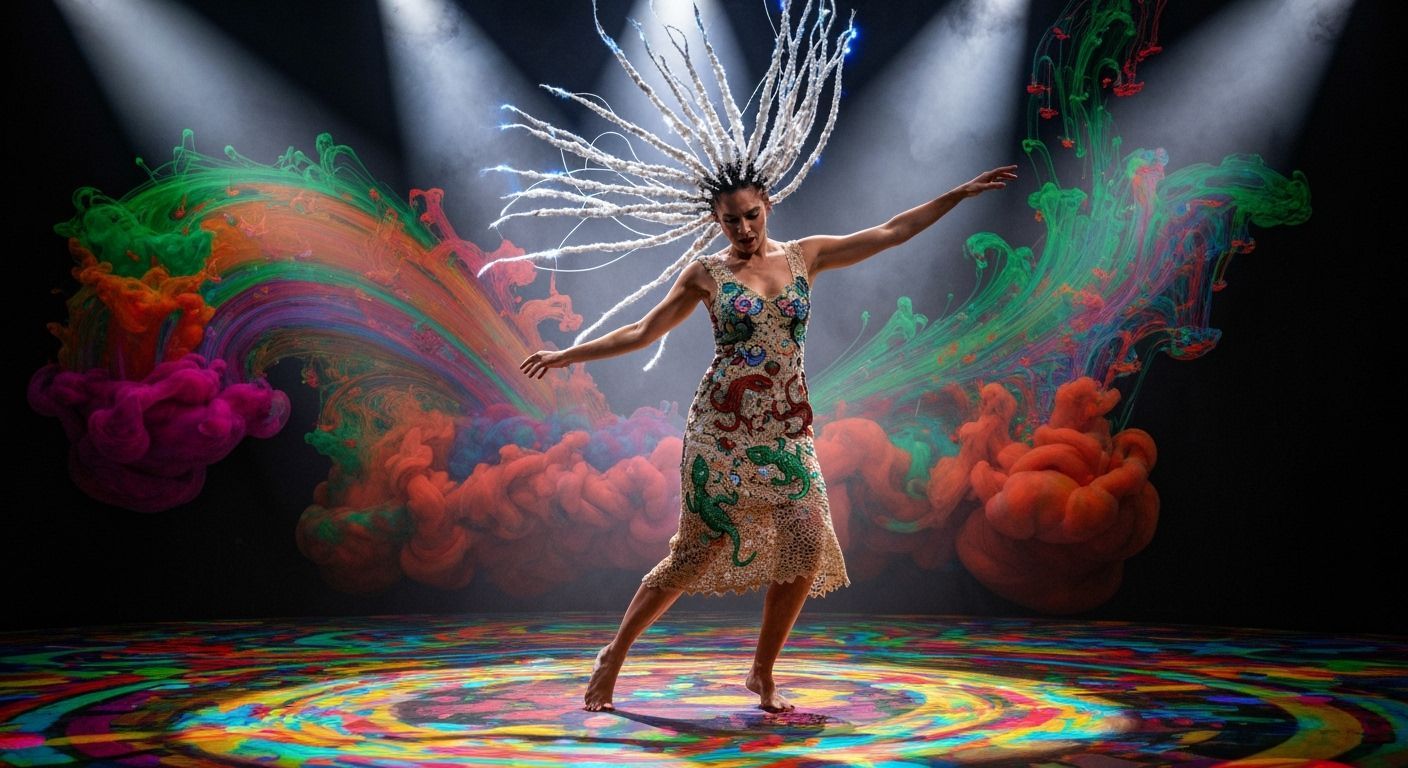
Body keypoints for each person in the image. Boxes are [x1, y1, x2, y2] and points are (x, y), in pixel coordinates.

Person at [520, 162, 1018, 712]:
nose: (744, 229)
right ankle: (613, 655)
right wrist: (567, 355)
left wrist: (957, 193)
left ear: (768, 206)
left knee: (806, 541)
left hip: (787, 428)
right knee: (696, 552)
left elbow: (891, 231)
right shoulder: (705, 274)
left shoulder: (807, 255)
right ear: (716, 221)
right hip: (720, 428)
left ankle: (761, 672)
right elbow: (642, 331)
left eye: (752, 215)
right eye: (730, 221)